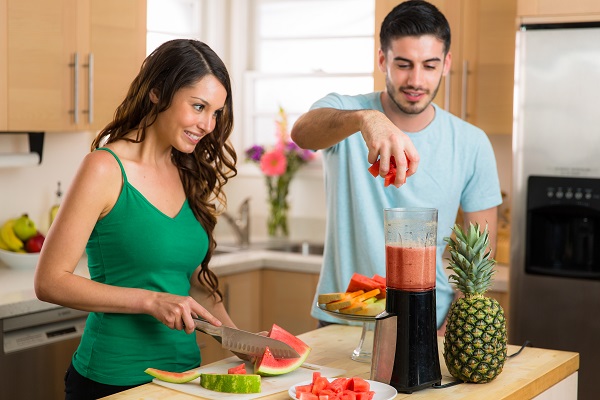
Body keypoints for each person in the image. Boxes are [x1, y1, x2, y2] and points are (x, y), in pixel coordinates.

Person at [34, 39, 241, 399]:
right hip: (113, 380)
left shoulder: (187, 168)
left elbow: (193, 281)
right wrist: (150, 301)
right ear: (158, 93)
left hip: (185, 379)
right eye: (198, 106)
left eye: (216, 113)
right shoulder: (104, 169)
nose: (208, 124)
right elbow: (50, 281)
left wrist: (243, 342)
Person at [290, 0, 502, 332]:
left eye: (429, 66)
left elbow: (482, 252)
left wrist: (449, 329)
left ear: (446, 64)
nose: (416, 80)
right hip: (344, 320)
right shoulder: (347, 114)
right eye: (403, 64)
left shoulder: (471, 142)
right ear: (382, 60)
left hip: (432, 322)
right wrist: (367, 120)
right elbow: (302, 133)